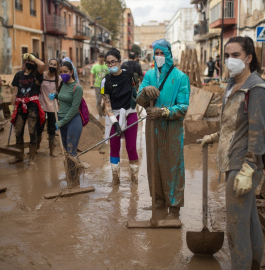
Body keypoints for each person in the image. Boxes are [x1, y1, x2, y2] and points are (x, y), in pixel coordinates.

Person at [200, 36, 264, 269]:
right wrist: (215, 136)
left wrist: (248, 167)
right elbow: (235, 124)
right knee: (250, 220)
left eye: (235, 55)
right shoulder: (231, 84)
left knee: (236, 225)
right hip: (232, 158)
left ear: (248, 58)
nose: (230, 60)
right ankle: (256, 262)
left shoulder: (255, 88)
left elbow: (257, 132)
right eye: (227, 55)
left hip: (243, 163)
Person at [136, 39, 190, 218]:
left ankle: (174, 206)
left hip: (172, 129)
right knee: (154, 164)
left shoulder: (181, 77)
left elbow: (183, 107)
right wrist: (145, 92)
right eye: (156, 54)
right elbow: (139, 99)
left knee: (172, 165)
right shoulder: (149, 76)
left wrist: (164, 111)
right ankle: (158, 200)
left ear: (168, 55)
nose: (159, 57)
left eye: (162, 53)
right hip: (152, 127)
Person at [100, 48, 139, 186]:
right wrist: (115, 123)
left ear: (119, 62)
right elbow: (107, 106)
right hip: (114, 115)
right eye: (108, 63)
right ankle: (115, 180)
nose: (111, 65)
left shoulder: (129, 76)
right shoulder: (105, 81)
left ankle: (134, 181)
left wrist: (138, 101)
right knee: (114, 147)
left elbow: (135, 93)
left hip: (130, 113)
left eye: (113, 62)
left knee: (131, 147)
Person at [10, 53, 45, 165]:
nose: (29, 63)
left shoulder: (36, 74)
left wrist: (32, 57)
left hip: (32, 107)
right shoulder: (18, 75)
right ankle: (19, 156)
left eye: (32, 61)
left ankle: (31, 158)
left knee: (32, 131)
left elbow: (42, 65)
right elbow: (15, 92)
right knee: (18, 131)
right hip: (20, 106)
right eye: (27, 61)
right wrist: (12, 107)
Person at [49, 60, 83, 156]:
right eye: (61, 72)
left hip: (73, 121)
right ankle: (71, 171)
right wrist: (55, 95)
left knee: (71, 151)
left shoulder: (77, 88)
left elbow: (74, 108)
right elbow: (63, 97)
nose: (63, 74)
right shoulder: (62, 84)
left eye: (65, 72)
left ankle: (74, 171)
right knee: (66, 151)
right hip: (60, 118)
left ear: (71, 72)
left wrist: (62, 122)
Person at [38, 58, 62, 156]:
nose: (52, 66)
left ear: (57, 67)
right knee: (39, 128)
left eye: (54, 65)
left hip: (53, 108)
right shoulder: (42, 76)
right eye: (51, 64)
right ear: (48, 65)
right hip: (41, 106)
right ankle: (36, 146)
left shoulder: (58, 79)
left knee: (52, 130)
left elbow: (60, 93)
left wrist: (57, 97)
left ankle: (52, 150)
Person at [90, 52, 109, 117]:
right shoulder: (95, 66)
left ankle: (103, 110)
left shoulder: (107, 66)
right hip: (97, 86)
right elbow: (92, 76)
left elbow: (110, 75)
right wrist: (91, 83)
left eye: (102, 57)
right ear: (98, 58)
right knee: (98, 101)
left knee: (106, 100)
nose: (101, 58)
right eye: (100, 57)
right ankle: (101, 115)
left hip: (105, 86)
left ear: (104, 58)